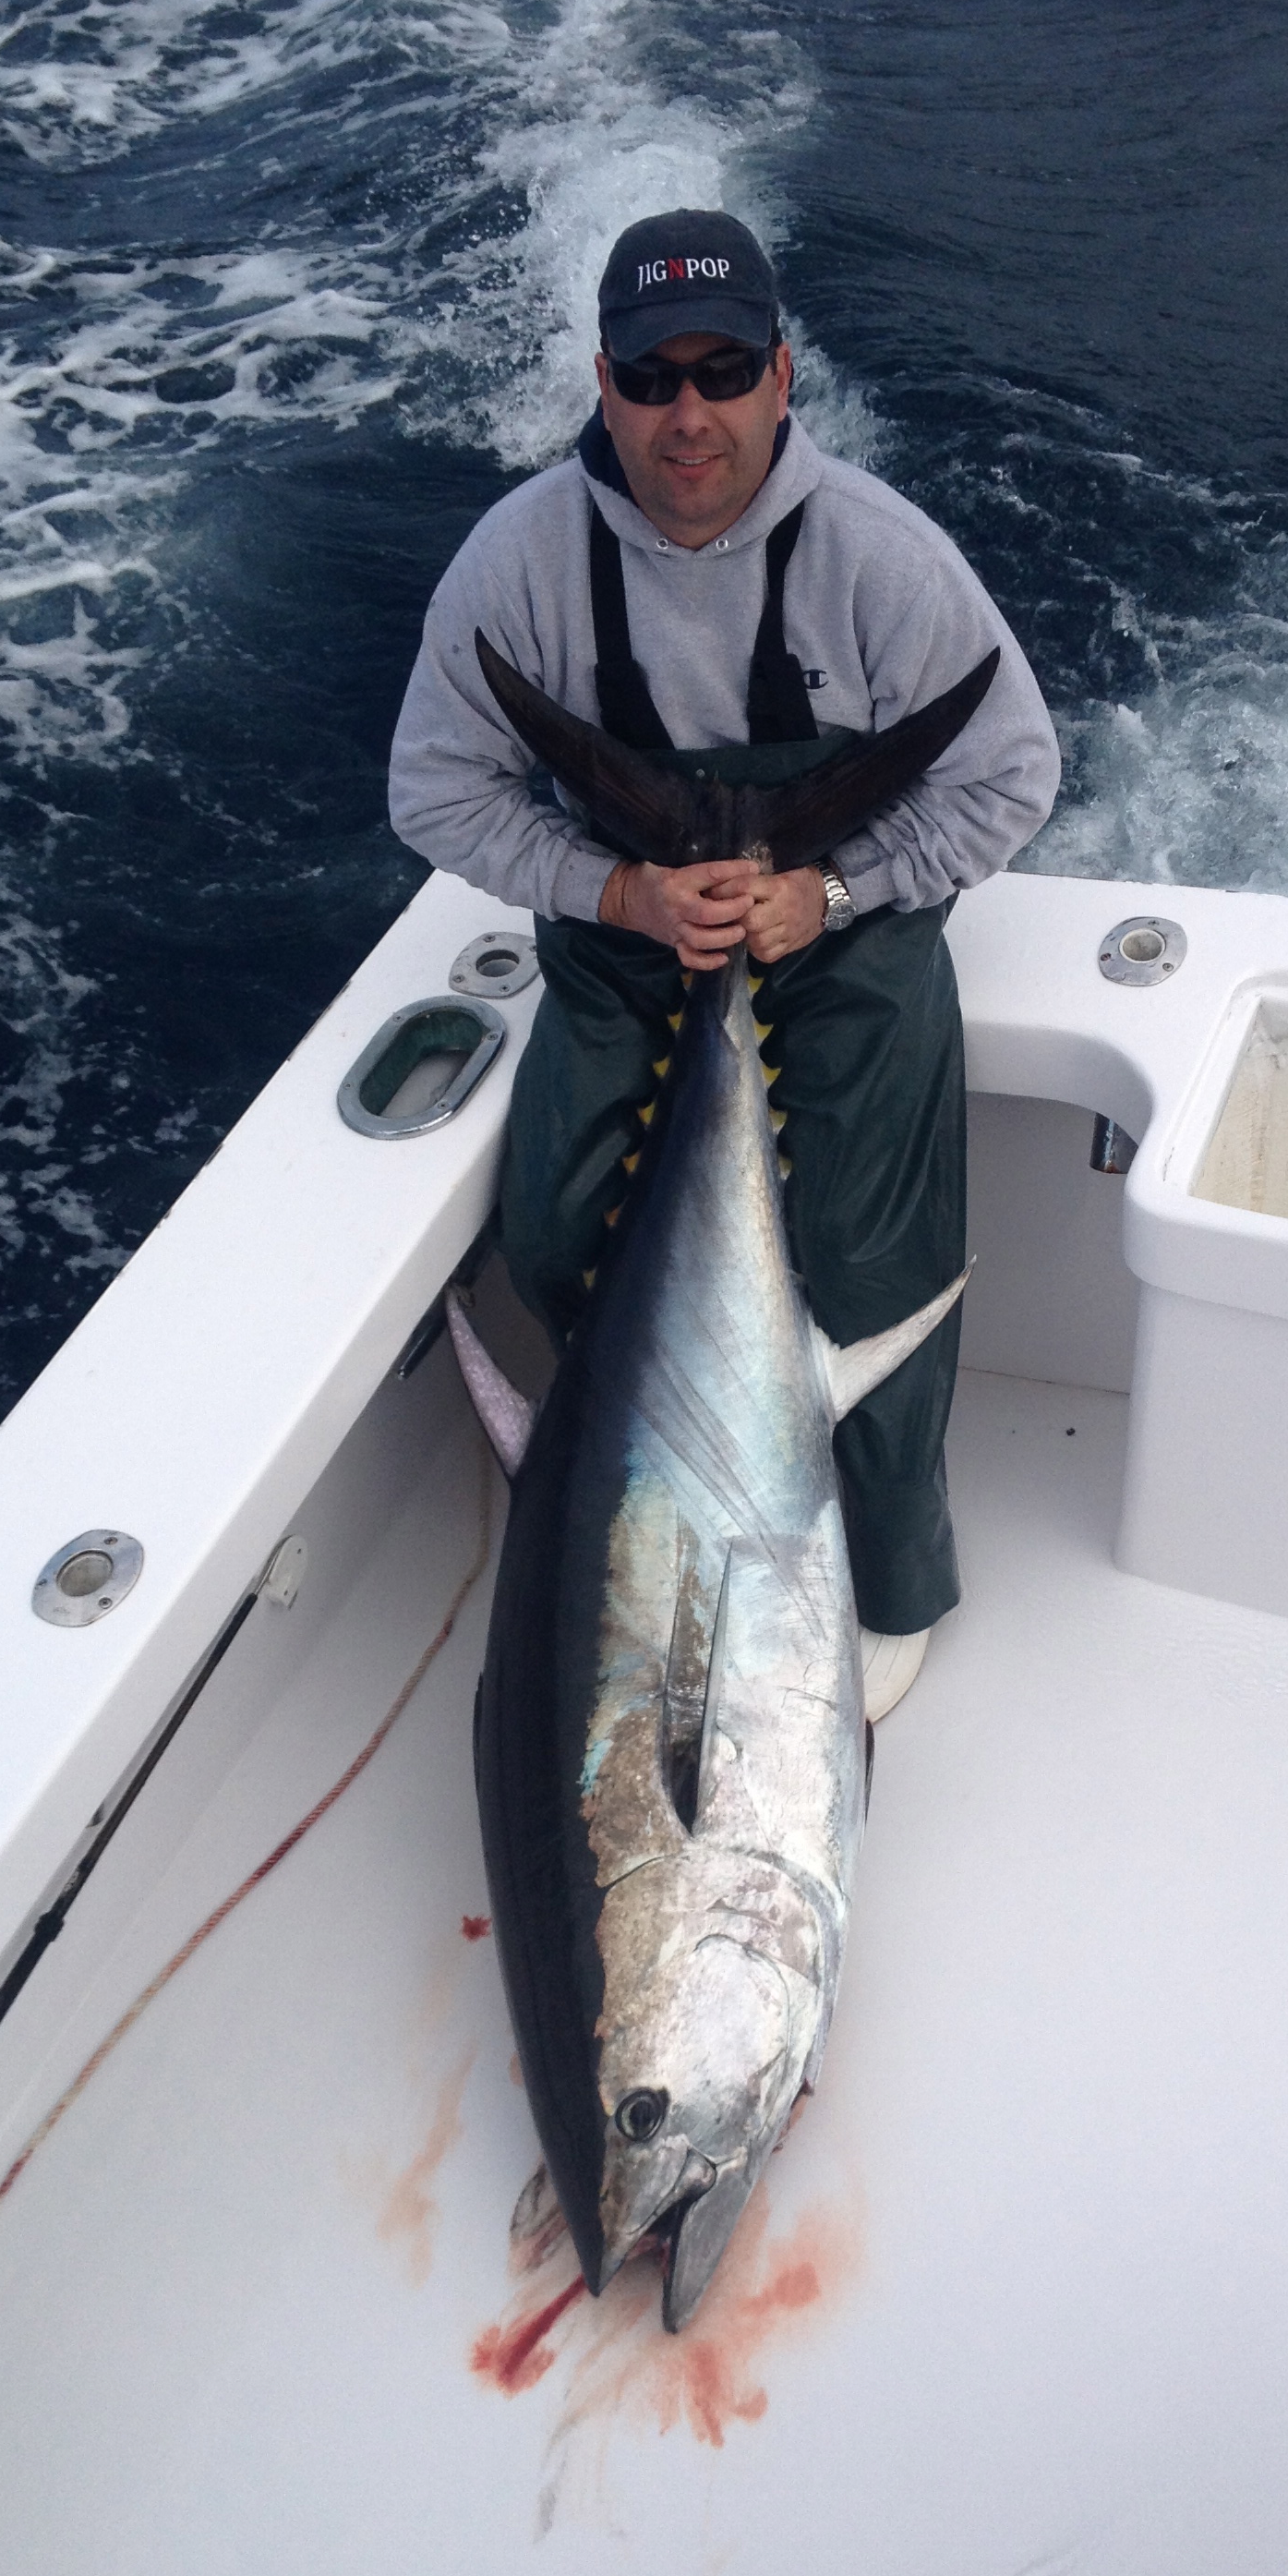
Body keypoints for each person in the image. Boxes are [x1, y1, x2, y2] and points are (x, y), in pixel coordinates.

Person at [389, 210, 1059, 1716]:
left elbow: (1011, 773)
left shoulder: (887, 562)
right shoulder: (519, 564)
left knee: (874, 1252)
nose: (687, 413)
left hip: (844, 936)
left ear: (782, 374)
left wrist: (833, 884)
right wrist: (618, 887)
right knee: (558, 1235)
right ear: (604, 383)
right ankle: (654, 1547)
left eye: (723, 371)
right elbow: (433, 789)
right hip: (634, 940)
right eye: (650, 377)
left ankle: (887, 1574)